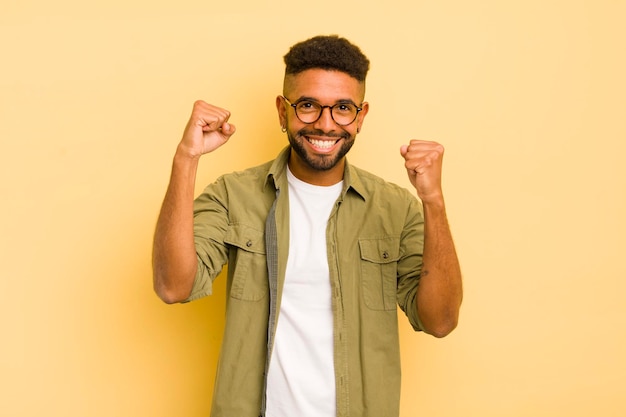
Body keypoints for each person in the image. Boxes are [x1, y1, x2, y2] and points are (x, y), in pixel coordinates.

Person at [152, 35, 463, 417]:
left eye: (343, 108)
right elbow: (172, 286)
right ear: (282, 111)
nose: (325, 124)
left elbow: (441, 321)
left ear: (361, 116)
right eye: (308, 105)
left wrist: (433, 201)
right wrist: (186, 159)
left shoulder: (396, 208)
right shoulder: (234, 196)